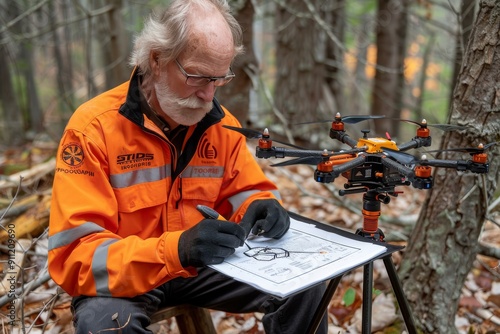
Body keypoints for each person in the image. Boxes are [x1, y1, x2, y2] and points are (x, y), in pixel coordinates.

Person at [48, 0, 328, 333]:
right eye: (197, 77)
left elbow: (246, 193)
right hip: (125, 277)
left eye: (219, 79)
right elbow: (74, 256)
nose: (208, 95)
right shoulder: (92, 129)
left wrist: (264, 208)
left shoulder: (221, 127)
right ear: (157, 59)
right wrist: (175, 250)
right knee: (107, 326)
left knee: (307, 286)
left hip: (202, 268)